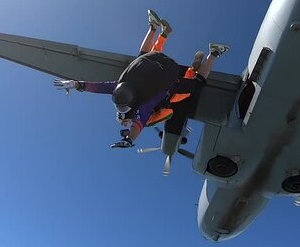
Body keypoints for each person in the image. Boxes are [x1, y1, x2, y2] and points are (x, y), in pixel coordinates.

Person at [53, 10, 229, 148]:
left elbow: (138, 124)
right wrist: (76, 84)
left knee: (196, 86)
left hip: (170, 73)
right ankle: (154, 28)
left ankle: (214, 52)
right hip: (152, 59)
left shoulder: (145, 104)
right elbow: (97, 87)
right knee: (140, 57)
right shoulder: (117, 87)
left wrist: (130, 139)